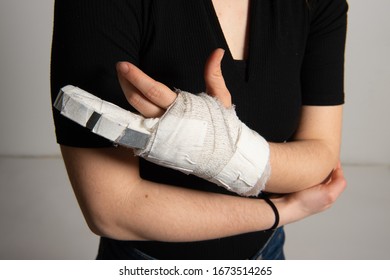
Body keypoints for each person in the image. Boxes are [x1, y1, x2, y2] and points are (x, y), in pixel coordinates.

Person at [50, 0, 348, 260]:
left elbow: (320, 155)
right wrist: (282, 211)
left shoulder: (316, 3)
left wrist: (227, 147)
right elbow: (111, 211)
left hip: (267, 254)